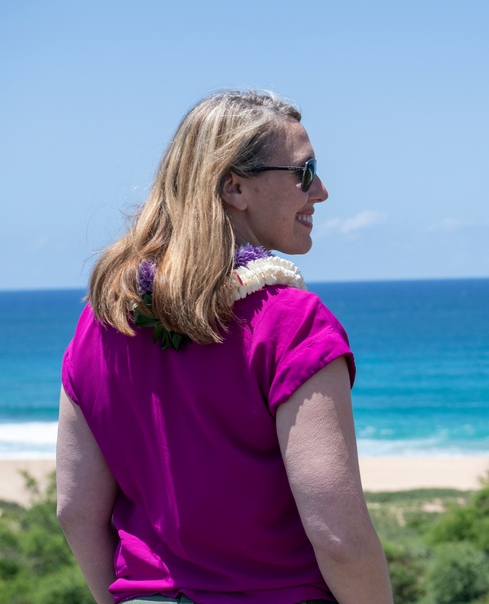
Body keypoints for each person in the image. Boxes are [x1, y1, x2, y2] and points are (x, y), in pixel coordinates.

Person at [57, 90, 393, 604]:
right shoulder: (292, 324)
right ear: (235, 186)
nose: (320, 191)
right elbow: (338, 535)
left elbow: (76, 510)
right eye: (304, 172)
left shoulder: (101, 321)